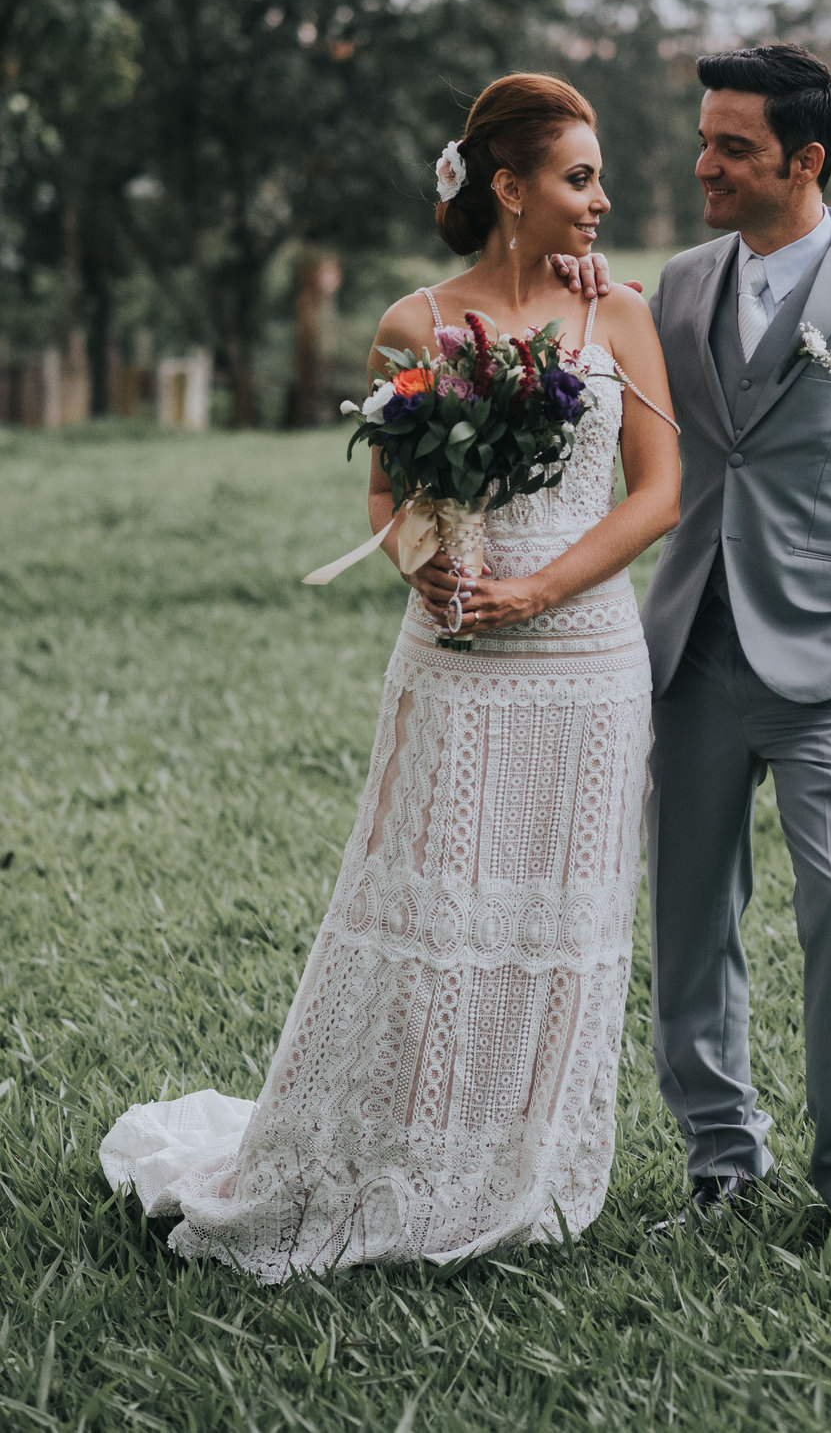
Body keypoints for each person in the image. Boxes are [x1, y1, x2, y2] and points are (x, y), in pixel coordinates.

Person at [100, 74, 680, 1281]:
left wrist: (538, 590)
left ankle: (520, 1165)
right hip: (455, 667)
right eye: (580, 177)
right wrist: (429, 567)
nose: (603, 199)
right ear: (508, 189)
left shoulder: (617, 314)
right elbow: (386, 490)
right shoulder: (414, 321)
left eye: (600, 177)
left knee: (562, 918)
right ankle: (395, 1155)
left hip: (585, 667)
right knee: (434, 911)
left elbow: (662, 493)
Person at [555, 44, 831, 1260]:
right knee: (691, 918)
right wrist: (576, 290)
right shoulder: (678, 285)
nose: (703, 163)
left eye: (731, 147)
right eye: (703, 138)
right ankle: (719, 1171)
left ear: (805, 160)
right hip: (687, 652)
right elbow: (620, 391)